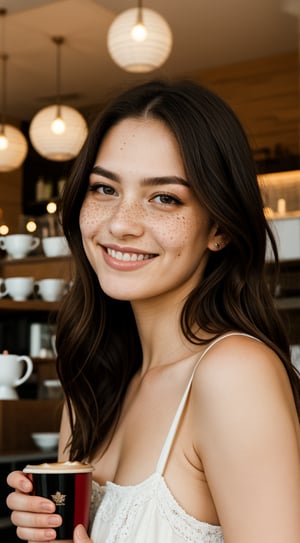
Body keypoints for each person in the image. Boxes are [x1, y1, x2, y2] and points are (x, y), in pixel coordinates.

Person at [6, 79, 300, 543]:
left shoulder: (234, 374)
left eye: (164, 197)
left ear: (219, 228)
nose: (120, 223)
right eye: (104, 188)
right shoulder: (93, 384)